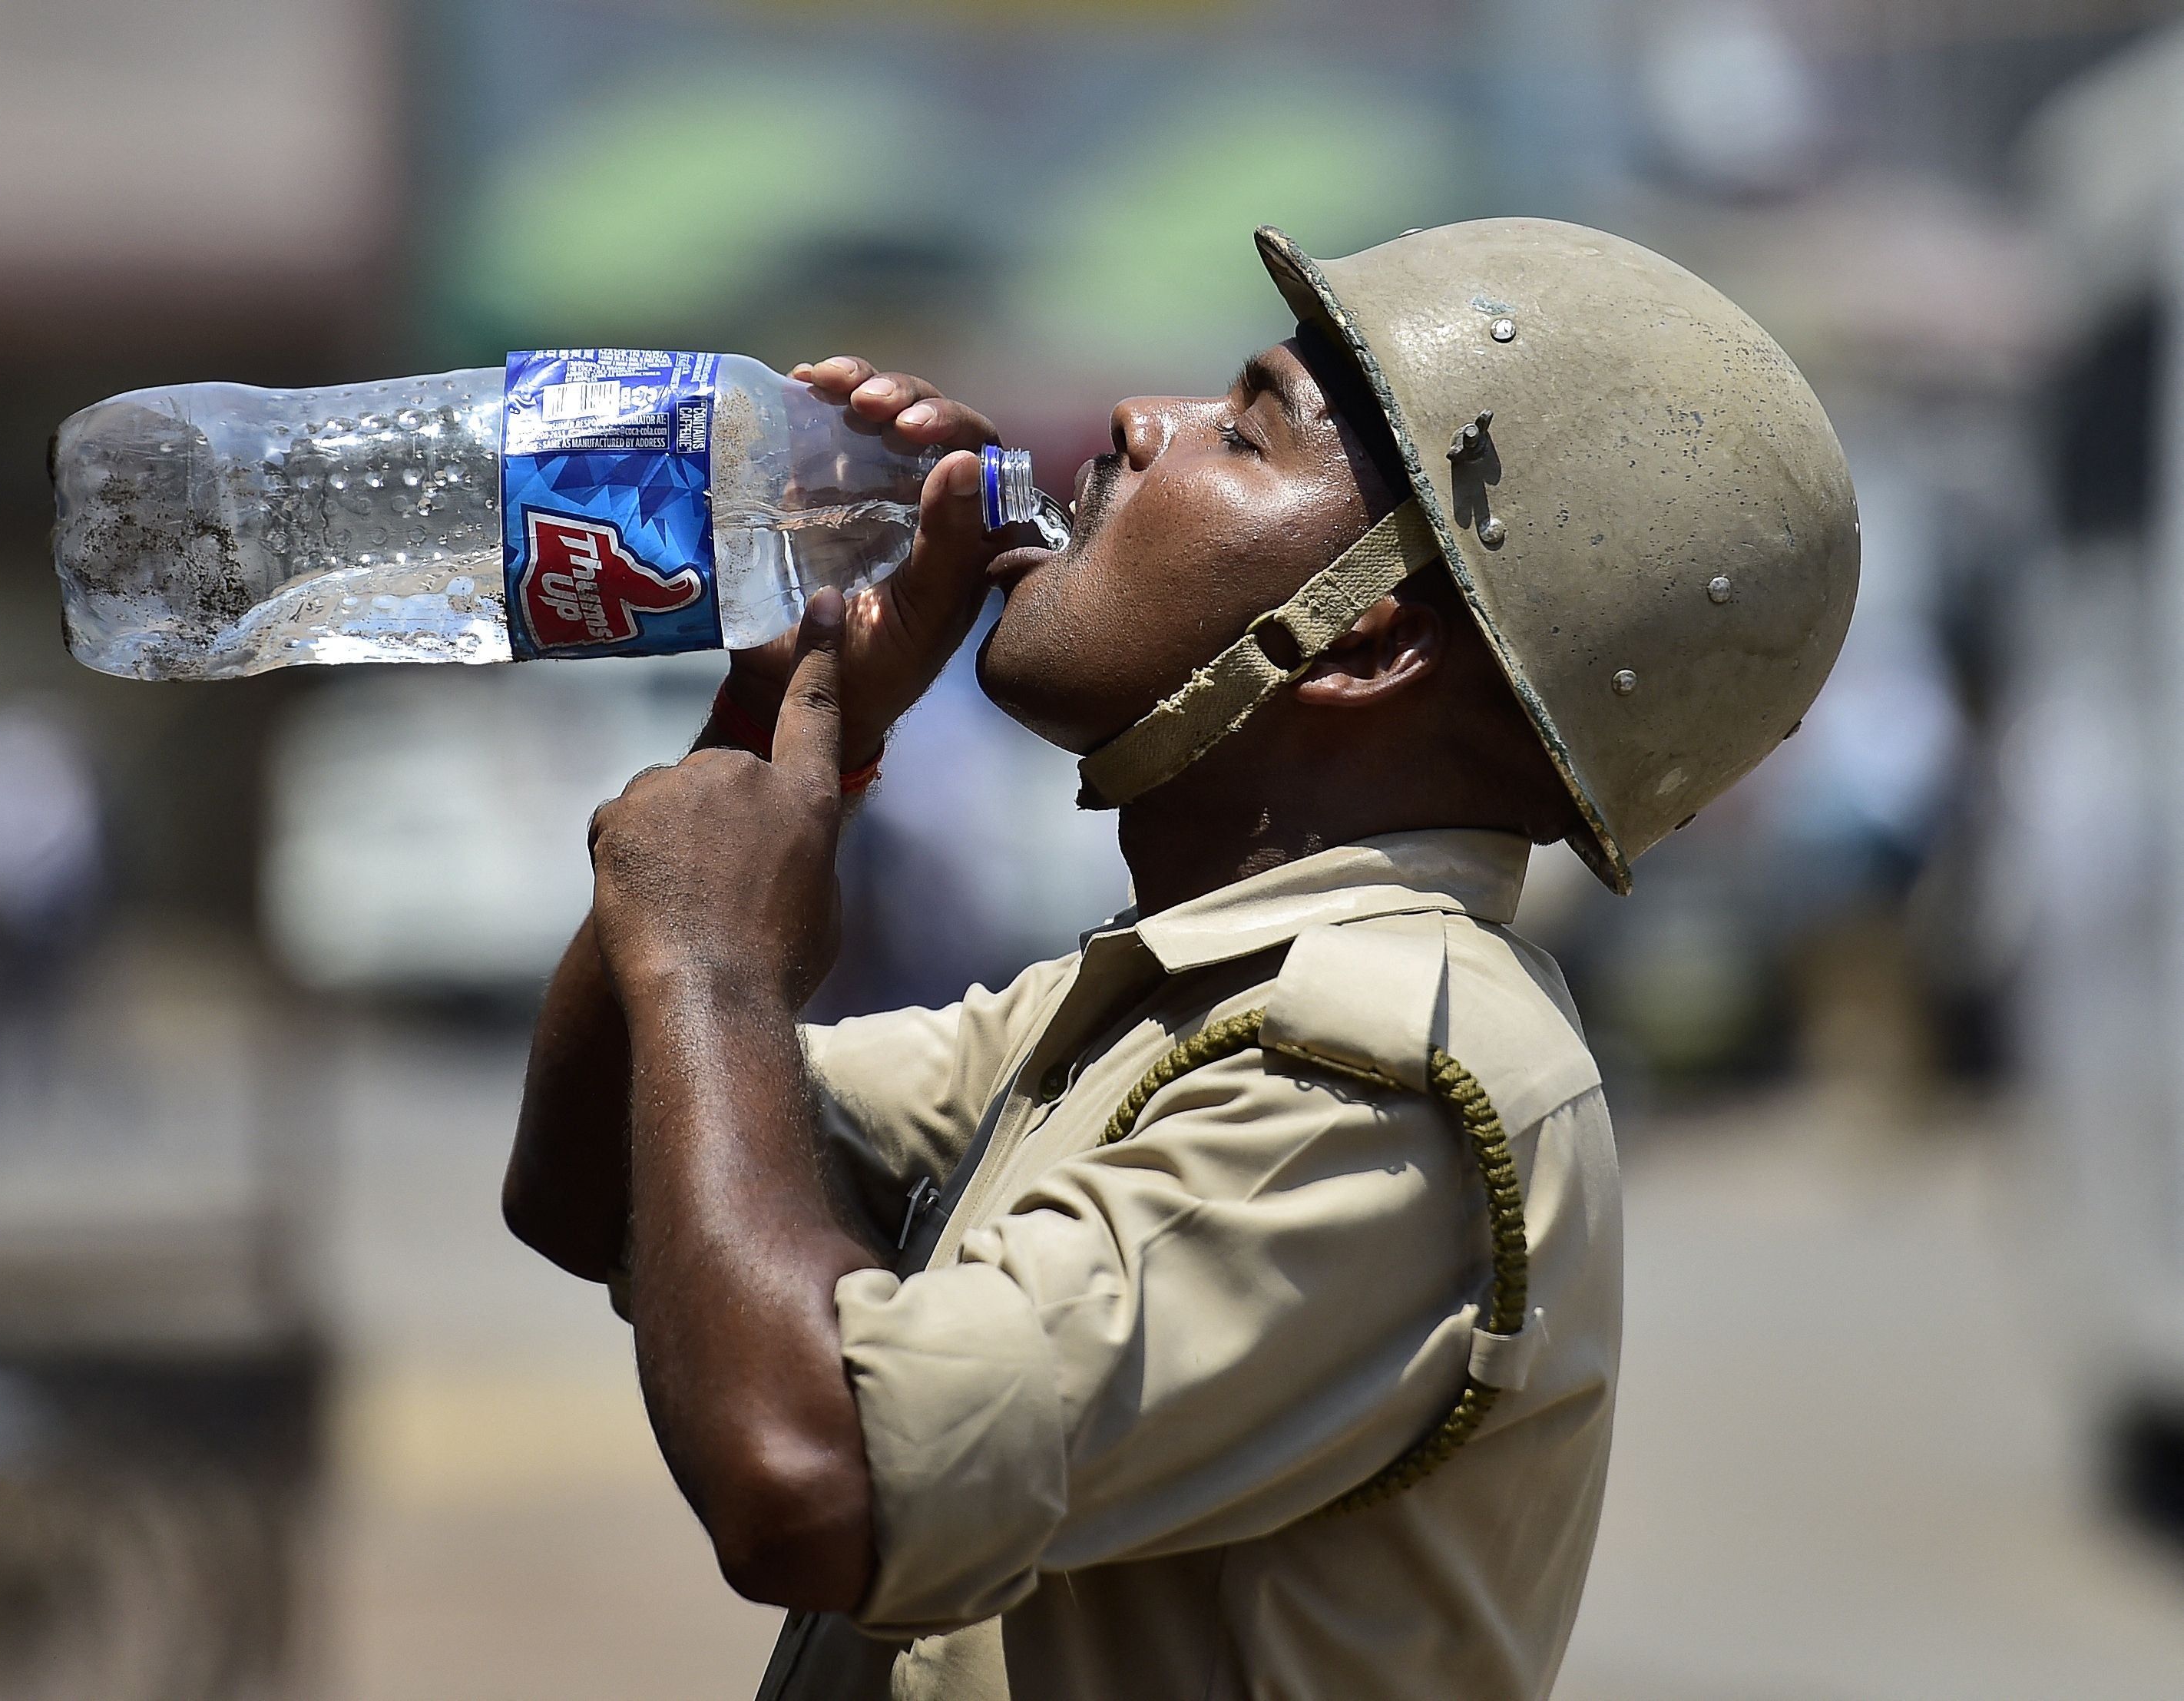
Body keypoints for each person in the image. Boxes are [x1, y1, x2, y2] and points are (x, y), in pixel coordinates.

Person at [503, 219, 1858, 1700]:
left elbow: (814, 1478)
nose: (1138, 424)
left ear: (1365, 642)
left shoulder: (1387, 1081)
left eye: (1245, 433)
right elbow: (594, 1189)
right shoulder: (1171, 1006)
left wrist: (716, 968)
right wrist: (780, 738)